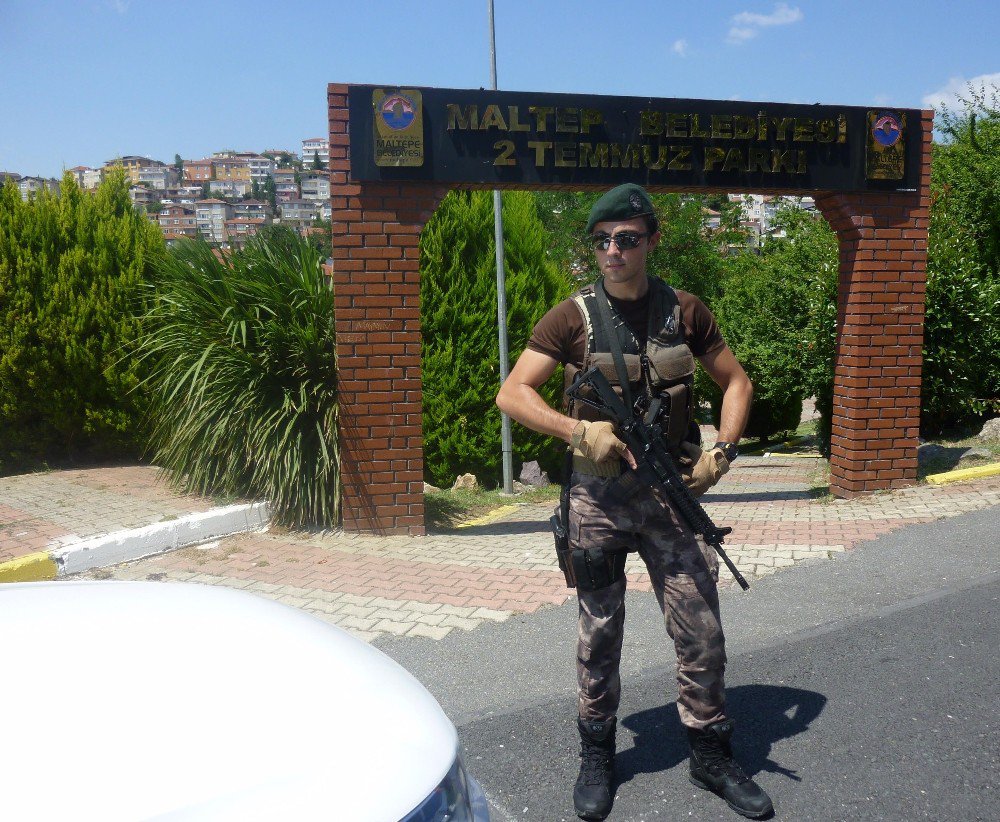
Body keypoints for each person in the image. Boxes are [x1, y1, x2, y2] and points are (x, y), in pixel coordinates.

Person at [495, 184, 772, 820]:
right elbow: (514, 394)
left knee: (700, 624)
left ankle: (710, 753)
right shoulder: (571, 318)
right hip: (597, 497)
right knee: (599, 631)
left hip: (671, 494)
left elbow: (736, 380)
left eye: (626, 238)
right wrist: (576, 431)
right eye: (601, 241)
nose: (612, 251)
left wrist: (722, 454)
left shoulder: (685, 311)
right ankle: (598, 753)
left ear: (650, 240)